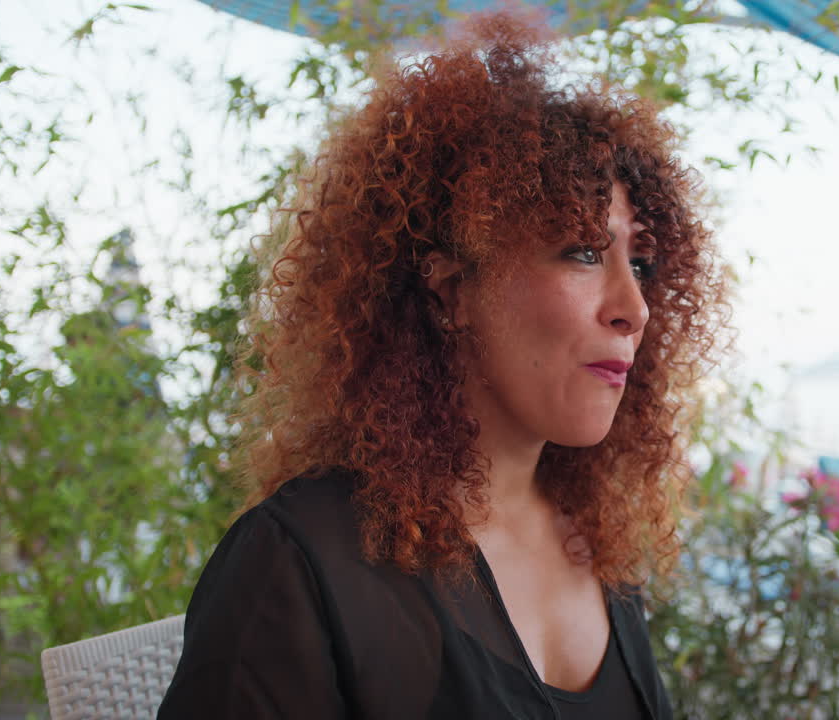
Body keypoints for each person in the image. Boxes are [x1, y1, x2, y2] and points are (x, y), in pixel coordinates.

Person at [157, 11, 726, 719]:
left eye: (641, 264)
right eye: (583, 253)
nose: (634, 308)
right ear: (451, 290)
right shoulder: (297, 564)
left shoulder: (599, 546)